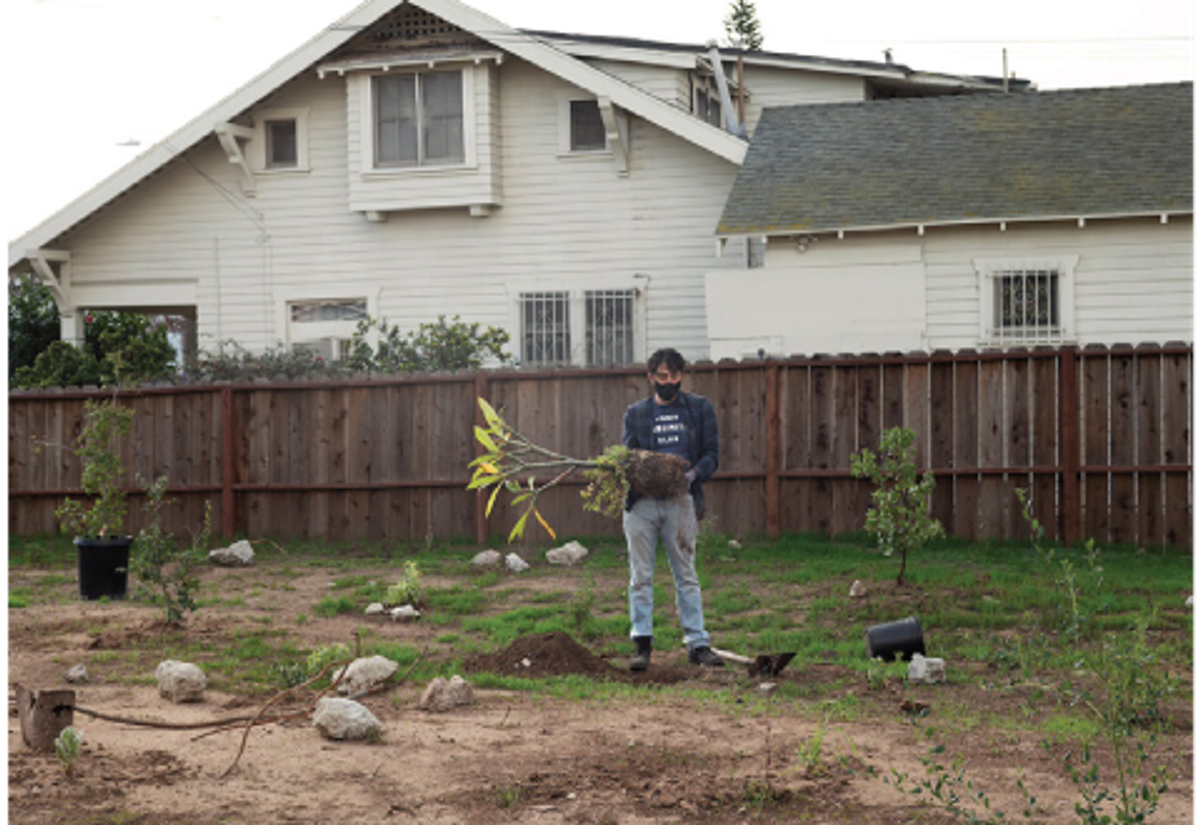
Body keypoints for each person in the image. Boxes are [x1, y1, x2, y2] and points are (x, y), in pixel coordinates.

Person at [622, 347, 724, 671]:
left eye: (675, 375)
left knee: (686, 575)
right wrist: (641, 471)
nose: (670, 382)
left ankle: (698, 644)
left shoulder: (699, 409)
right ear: (651, 377)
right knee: (641, 577)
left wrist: (691, 476)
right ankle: (642, 645)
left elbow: (711, 455)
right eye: (663, 376)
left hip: (680, 501)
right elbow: (626, 457)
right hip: (642, 504)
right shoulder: (636, 413)